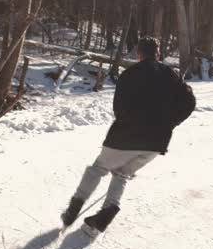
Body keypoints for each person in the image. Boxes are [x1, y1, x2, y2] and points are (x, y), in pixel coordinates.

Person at [61, 36, 196, 233]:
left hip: (126, 135)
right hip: (156, 142)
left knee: (97, 169)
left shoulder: (129, 74)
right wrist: (169, 123)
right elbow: (189, 102)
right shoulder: (171, 75)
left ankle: (73, 210)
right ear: (157, 54)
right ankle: (105, 215)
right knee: (122, 173)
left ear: (139, 53)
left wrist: (129, 122)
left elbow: (119, 107)